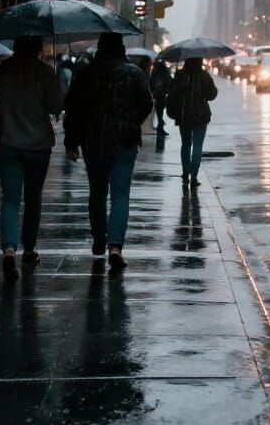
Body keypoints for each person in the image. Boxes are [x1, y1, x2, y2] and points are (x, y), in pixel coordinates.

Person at [0, 36, 64, 281]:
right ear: (38, 48)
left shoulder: (1, 70)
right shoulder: (45, 72)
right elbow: (57, 104)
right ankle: (29, 249)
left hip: (7, 142)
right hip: (38, 146)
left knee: (10, 199)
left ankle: (8, 249)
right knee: (33, 198)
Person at [64, 33, 153, 272]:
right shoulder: (134, 73)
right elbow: (146, 104)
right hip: (124, 140)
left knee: (97, 191)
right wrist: (132, 122)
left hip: (93, 141)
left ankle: (98, 237)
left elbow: (73, 108)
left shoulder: (86, 74)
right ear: (121, 49)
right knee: (120, 194)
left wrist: (70, 141)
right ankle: (116, 246)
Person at [166, 57, 217, 188]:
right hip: (200, 115)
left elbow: (172, 93)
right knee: (198, 145)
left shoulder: (180, 75)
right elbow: (212, 94)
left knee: (186, 144)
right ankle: (194, 175)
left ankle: (185, 173)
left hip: (184, 116)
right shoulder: (204, 75)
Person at [149, 59, 173, 136]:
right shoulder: (161, 70)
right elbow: (164, 81)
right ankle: (160, 127)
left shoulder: (156, 70)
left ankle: (160, 126)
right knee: (160, 112)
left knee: (160, 112)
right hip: (160, 94)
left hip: (159, 94)